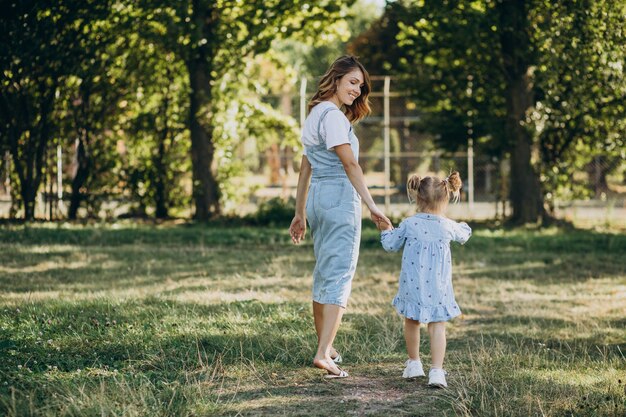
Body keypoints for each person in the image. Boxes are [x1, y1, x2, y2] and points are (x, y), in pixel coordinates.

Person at [289, 55, 391, 379]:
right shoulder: (333, 117)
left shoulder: (314, 113)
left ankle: (327, 345)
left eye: (360, 86)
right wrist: (373, 206)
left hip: (319, 198)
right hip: (338, 198)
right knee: (339, 274)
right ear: (335, 80)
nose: (357, 91)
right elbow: (351, 166)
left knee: (324, 273)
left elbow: (306, 167)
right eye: (352, 82)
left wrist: (300, 211)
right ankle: (323, 353)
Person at [377, 171, 471, 388]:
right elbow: (464, 234)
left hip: (413, 285)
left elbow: (390, 244)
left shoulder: (410, 224)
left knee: (411, 321)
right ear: (446, 197)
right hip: (439, 287)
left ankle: (414, 363)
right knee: (437, 325)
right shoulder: (446, 225)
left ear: (417, 198)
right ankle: (437, 371)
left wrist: (385, 229)